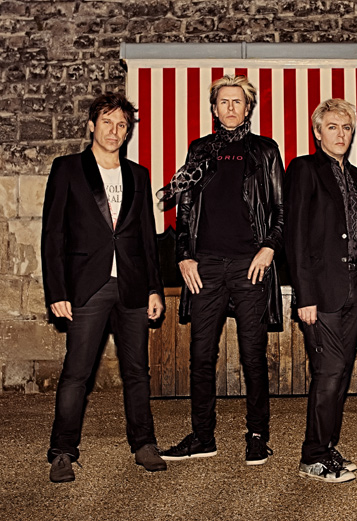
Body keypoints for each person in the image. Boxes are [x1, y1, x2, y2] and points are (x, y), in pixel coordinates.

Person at [158, 75, 284, 466]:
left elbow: (282, 209)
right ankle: (202, 436)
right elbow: (183, 210)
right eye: (224, 102)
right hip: (206, 265)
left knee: (253, 356)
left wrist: (269, 247)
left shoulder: (264, 150)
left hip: (250, 265)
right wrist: (183, 255)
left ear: (248, 108)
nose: (231, 108)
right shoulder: (199, 150)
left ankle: (258, 435)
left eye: (238, 102)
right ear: (214, 108)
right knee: (200, 355)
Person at [42, 92, 166, 483]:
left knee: (137, 372)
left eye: (122, 125)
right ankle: (62, 451)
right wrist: (57, 292)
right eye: (107, 122)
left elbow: (147, 237)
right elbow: (53, 235)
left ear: (128, 132)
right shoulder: (67, 169)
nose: (114, 131)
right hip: (86, 287)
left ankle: (144, 443)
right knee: (76, 373)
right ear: (92, 126)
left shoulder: (138, 175)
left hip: (132, 287)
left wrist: (154, 288)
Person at [285, 99, 357, 483]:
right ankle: (312, 456)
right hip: (321, 291)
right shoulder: (303, 169)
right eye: (332, 127)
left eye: (346, 127)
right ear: (317, 132)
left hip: (354, 288)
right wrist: (305, 296)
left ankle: (327, 445)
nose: (340, 134)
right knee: (328, 371)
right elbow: (296, 237)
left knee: (341, 372)